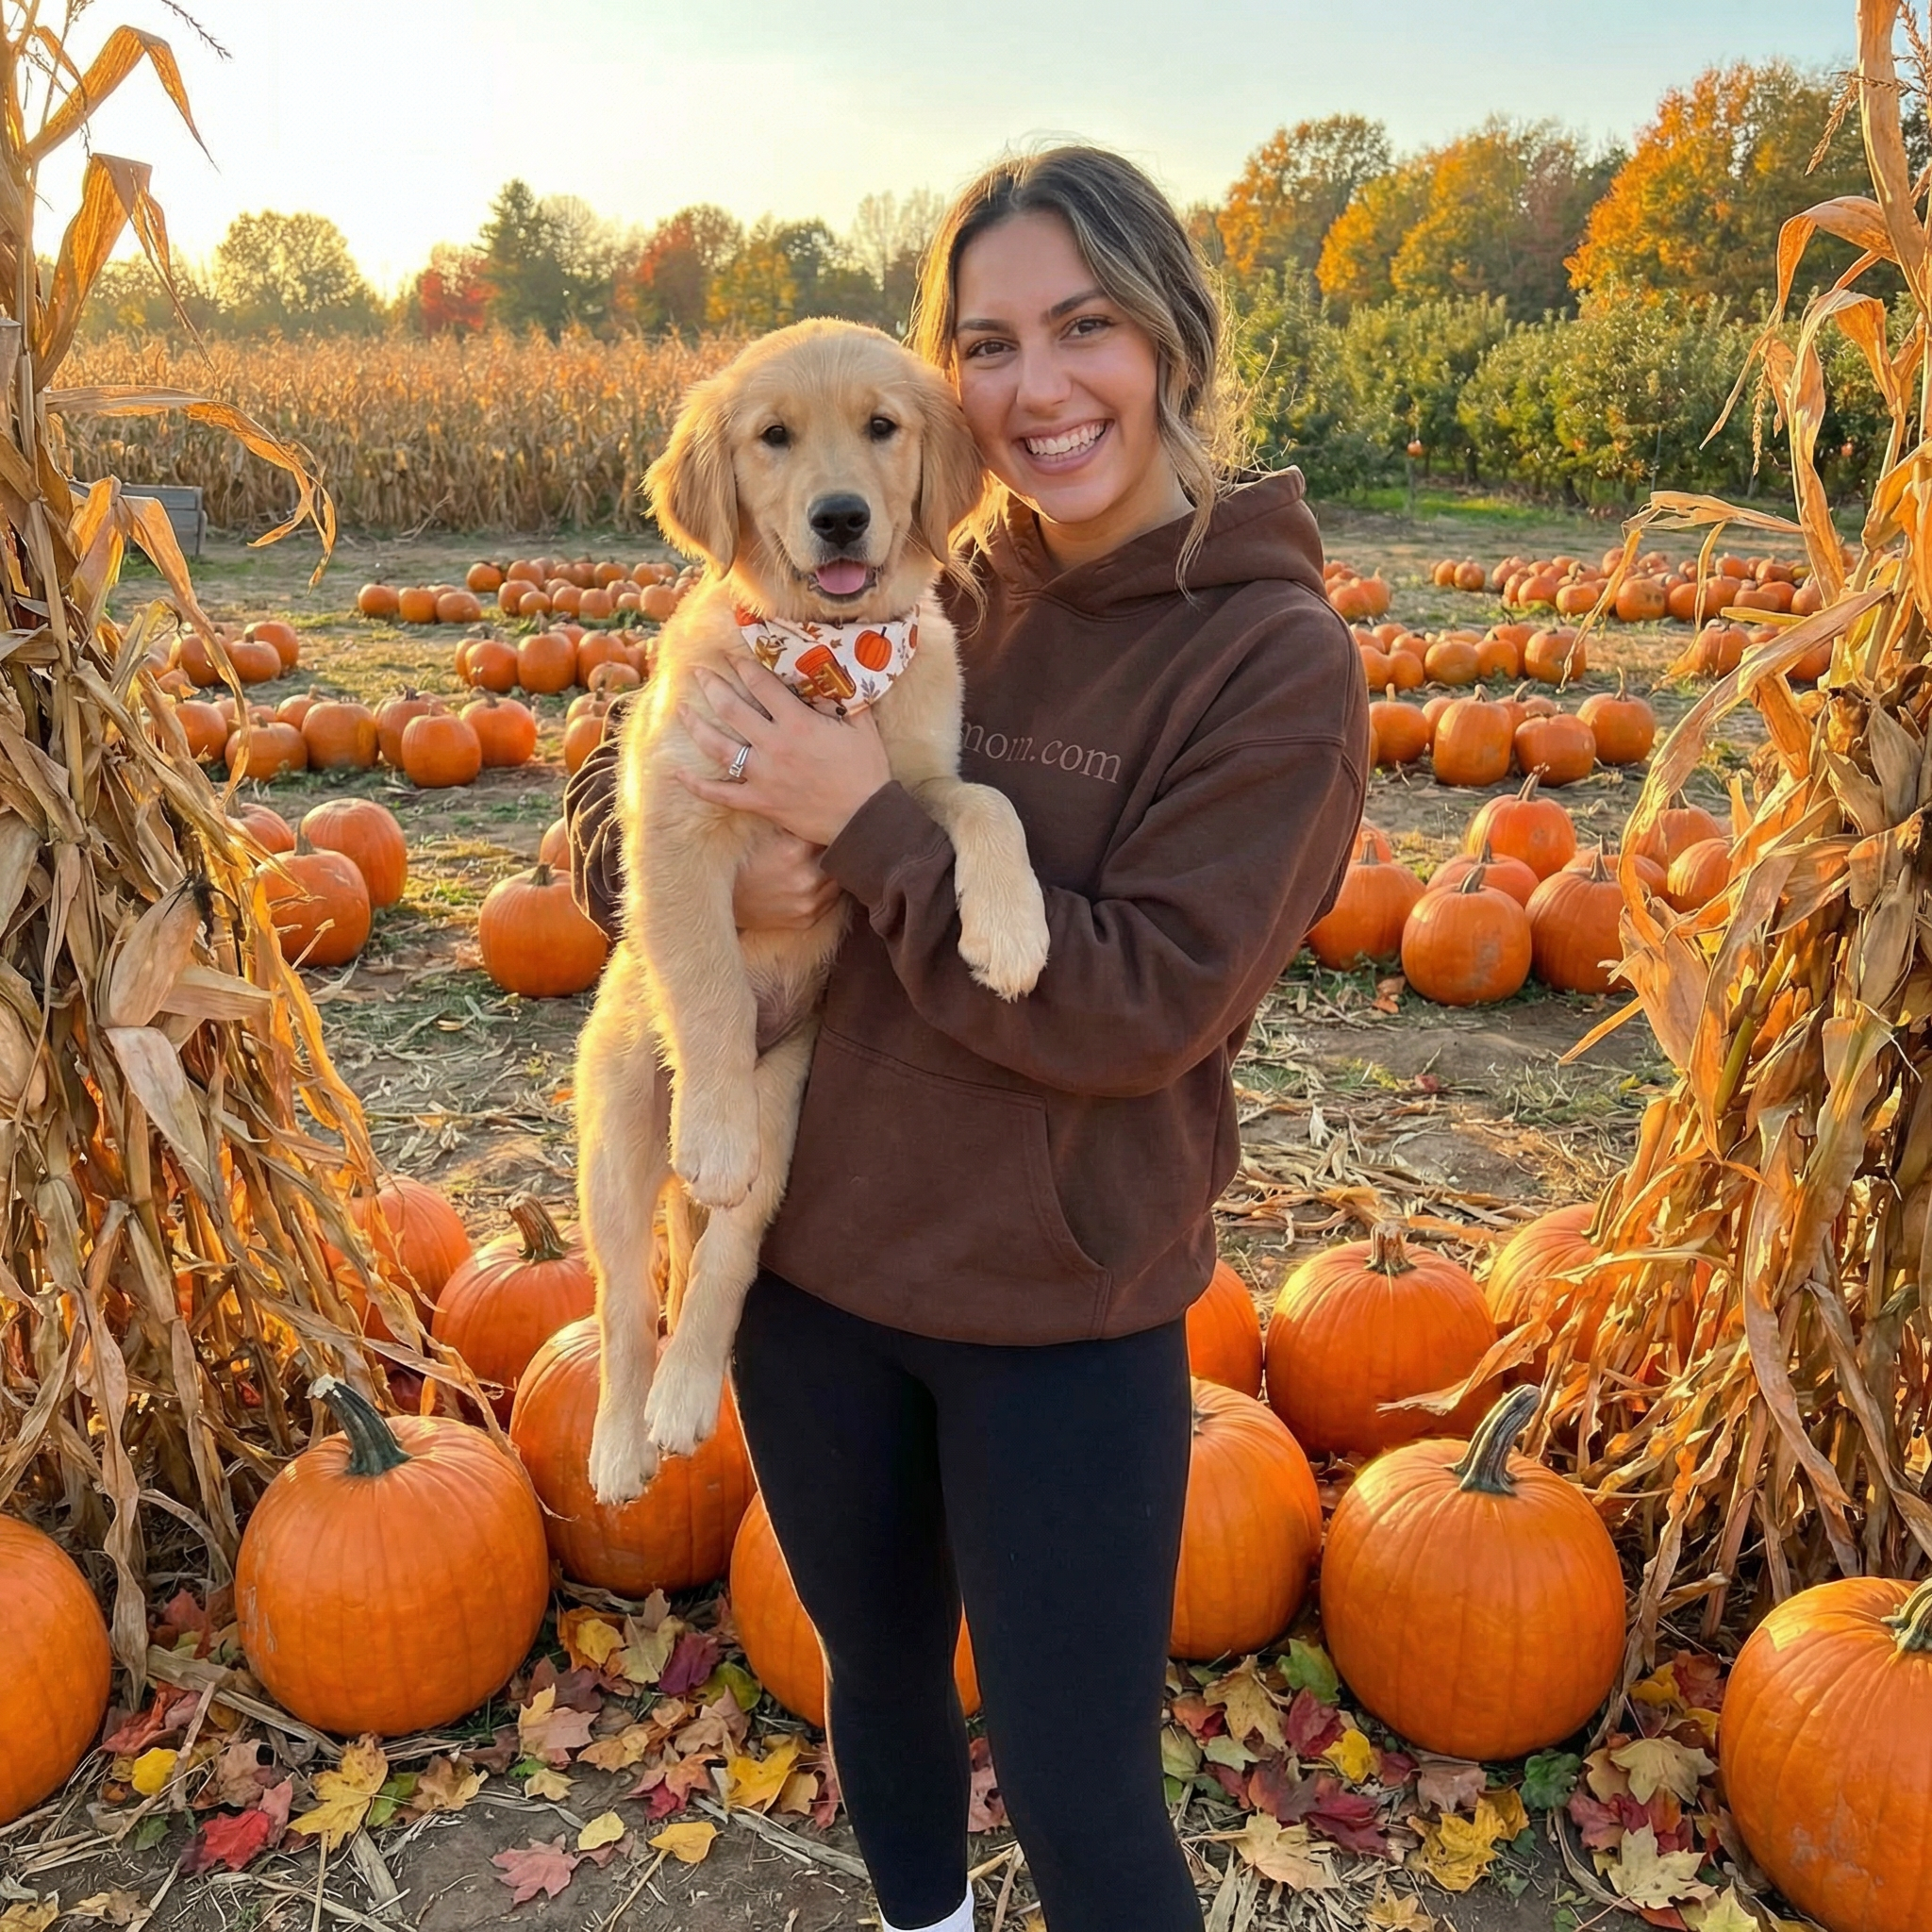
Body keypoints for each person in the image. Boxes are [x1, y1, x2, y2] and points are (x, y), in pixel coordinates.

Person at [565, 145, 1368, 1932]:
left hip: (1053, 1310)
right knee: (877, 1687)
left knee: (1084, 1794)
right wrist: (690, 846)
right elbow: (631, 839)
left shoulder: (1271, 662)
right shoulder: (908, 568)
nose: (1039, 386)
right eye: (990, 345)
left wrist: (862, 827)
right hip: (812, 1267)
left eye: (1085, 328)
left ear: (1169, 340)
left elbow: (1146, 1004)